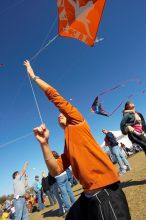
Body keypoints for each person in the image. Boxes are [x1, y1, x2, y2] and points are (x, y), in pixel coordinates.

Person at [24, 60, 131, 220]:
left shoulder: (77, 121)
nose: (60, 115)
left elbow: (55, 97)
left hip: (105, 191)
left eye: (63, 113)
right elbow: (55, 170)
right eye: (59, 115)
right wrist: (44, 144)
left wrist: (33, 77)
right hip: (88, 195)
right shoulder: (68, 143)